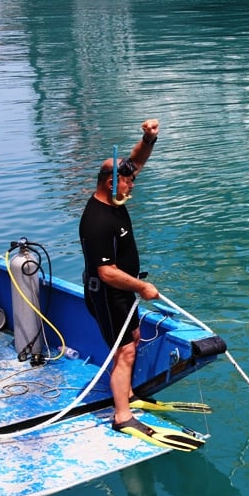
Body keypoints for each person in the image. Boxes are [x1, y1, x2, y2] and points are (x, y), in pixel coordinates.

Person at [79, 118, 161, 437]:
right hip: (108, 293)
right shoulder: (96, 221)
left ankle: (127, 394)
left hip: (123, 293)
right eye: (128, 182)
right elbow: (107, 272)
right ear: (109, 182)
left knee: (135, 338)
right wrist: (143, 286)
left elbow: (136, 161)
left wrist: (148, 138)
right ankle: (122, 415)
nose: (133, 185)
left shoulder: (115, 197)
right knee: (123, 350)